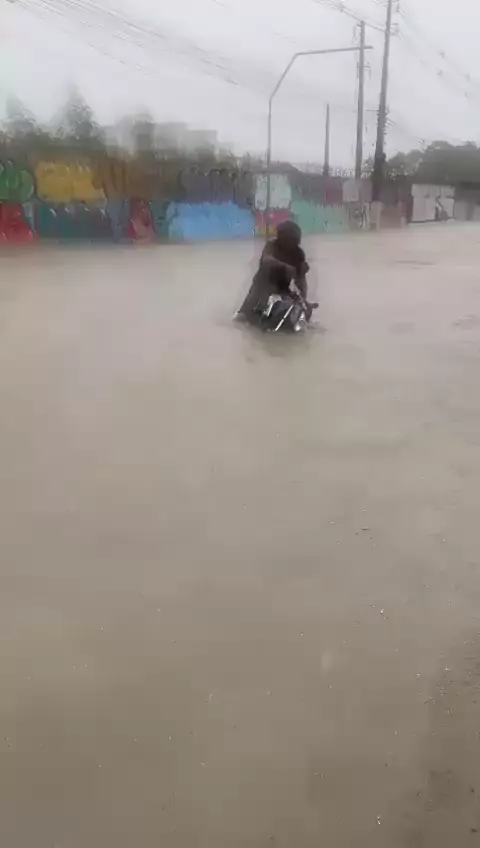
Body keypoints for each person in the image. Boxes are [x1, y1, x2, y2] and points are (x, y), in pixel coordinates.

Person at [237, 220, 310, 324]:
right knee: (246, 313)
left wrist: (303, 299)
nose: (291, 243)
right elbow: (266, 260)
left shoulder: (299, 253)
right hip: (263, 283)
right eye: (288, 239)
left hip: (282, 286)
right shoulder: (271, 245)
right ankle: (244, 314)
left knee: (295, 308)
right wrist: (285, 267)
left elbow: (301, 280)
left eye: (293, 240)